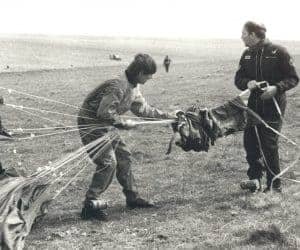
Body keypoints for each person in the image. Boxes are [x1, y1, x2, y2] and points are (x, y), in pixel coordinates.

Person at [78, 53, 176, 220]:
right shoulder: (118, 85)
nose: (150, 78)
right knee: (108, 162)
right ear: (139, 73)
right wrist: (123, 123)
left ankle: (132, 198)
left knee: (124, 156)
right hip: (91, 125)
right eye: (148, 74)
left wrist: (168, 116)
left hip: (107, 126)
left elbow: (143, 110)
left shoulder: (134, 86)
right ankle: (90, 204)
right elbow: (103, 113)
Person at [234, 21, 299, 193]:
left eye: (244, 34)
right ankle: (255, 180)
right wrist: (247, 83)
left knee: (268, 143)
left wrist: (276, 88)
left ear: (254, 35)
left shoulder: (279, 52)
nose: (241, 37)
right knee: (250, 143)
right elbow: (238, 79)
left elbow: (293, 78)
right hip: (253, 105)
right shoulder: (247, 54)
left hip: (274, 104)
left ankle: (274, 183)